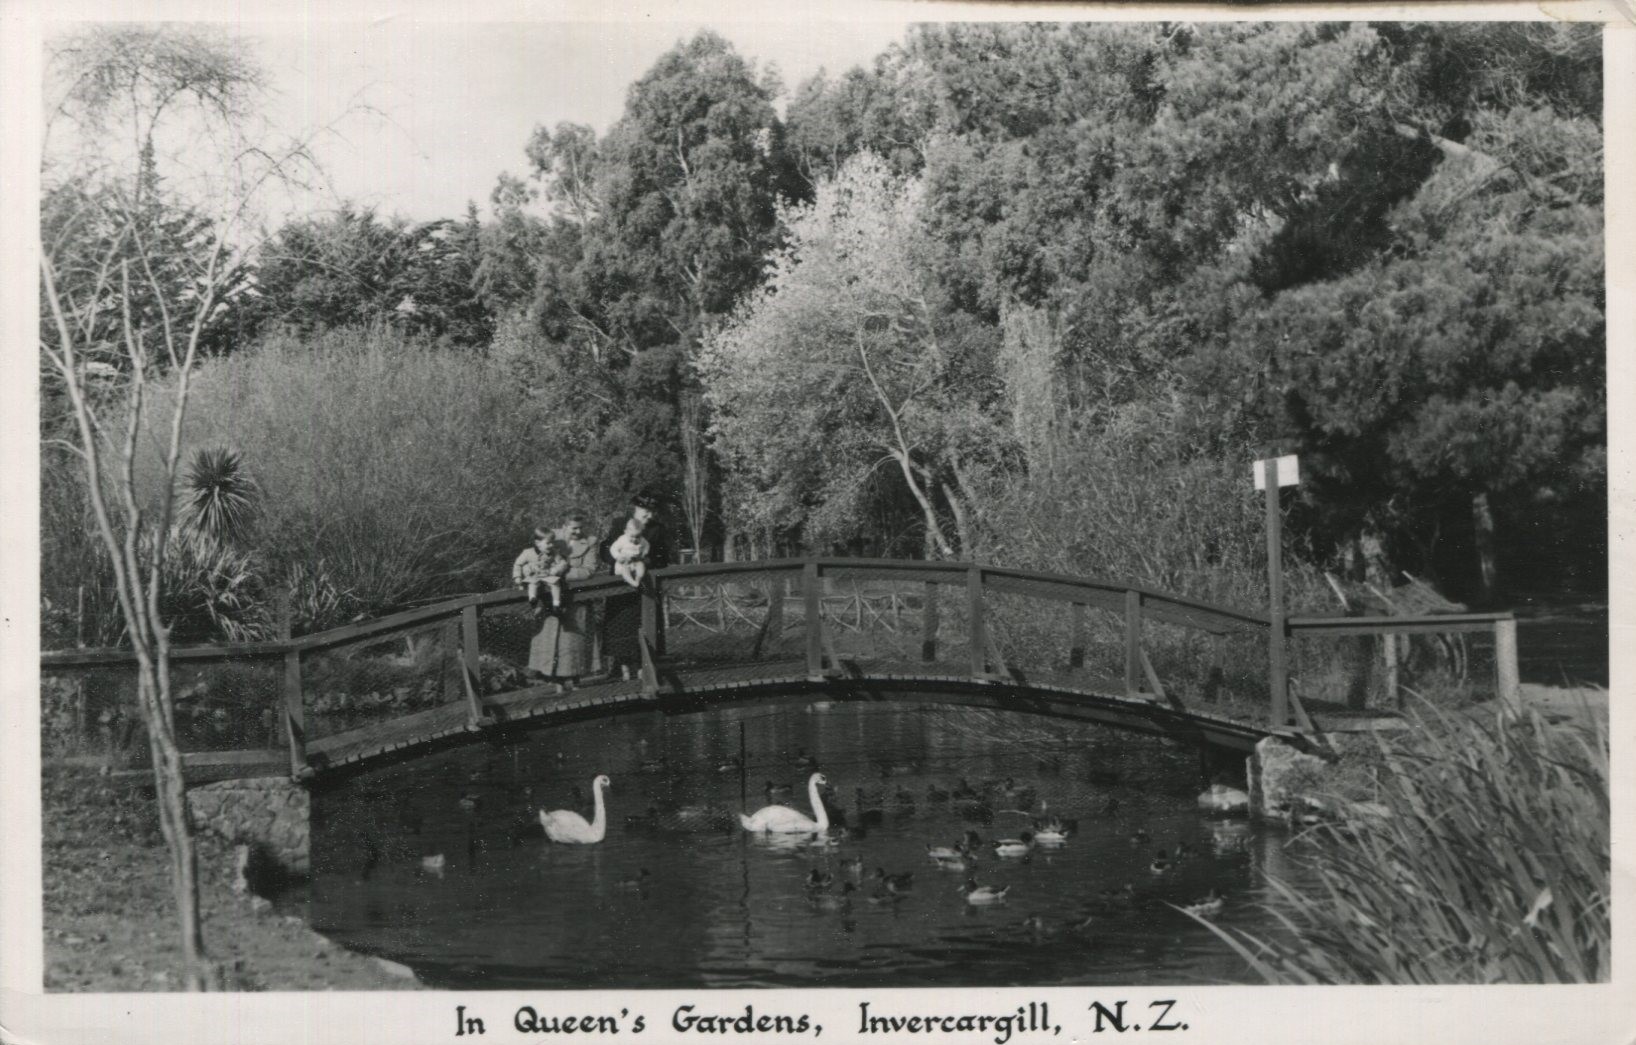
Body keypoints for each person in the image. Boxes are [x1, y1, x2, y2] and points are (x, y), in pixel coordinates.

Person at [522, 511, 604, 682]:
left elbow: (588, 571)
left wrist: (558, 573)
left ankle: (574, 682)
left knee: (572, 641)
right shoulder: (550, 537)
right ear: (564, 526)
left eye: (581, 528)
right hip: (549, 598)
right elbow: (532, 558)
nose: (578, 532)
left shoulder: (590, 542)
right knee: (548, 638)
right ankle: (550, 681)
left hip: (576, 600)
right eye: (574, 528)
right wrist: (535, 571)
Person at [600, 492, 675, 679]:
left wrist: (646, 560)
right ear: (635, 508)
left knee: (646, 623)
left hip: (645, 585)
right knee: (620, 625)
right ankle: (621, 667)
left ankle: (645, 667)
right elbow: (605, 550)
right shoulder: (619, 524)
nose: (649, 515)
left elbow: (663, 557)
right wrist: (618, 558)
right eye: (645, 510)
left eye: (653, 511)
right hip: (621, 584)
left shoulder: (657, 529)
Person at [513, 527, 569, 619]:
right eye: (548, 543)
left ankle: (556, 604)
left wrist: (555, 570)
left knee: (555, 584)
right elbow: (518, 564)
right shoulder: (528, 553)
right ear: (537, 543)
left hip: (547, 575)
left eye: (552, 542)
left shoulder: (553, 552)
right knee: (532, 584)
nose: (551, 545)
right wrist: (517, 577)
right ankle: (532, 598)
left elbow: (563, 563)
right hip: (534, 575)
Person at [609, 517, 650, 588]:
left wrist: (644, 553)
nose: (634, 539)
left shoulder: (642, 540)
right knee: (625, 570)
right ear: (626, 532)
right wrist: (618, 556)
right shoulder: (622, 539)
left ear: (641, 534)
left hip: (636, 562)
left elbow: (647, 545)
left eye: (637, 537)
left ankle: (638, 578)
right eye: (632, 536)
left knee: (641, 566)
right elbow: (613, 548)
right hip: (624, 563)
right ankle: (632, 582)